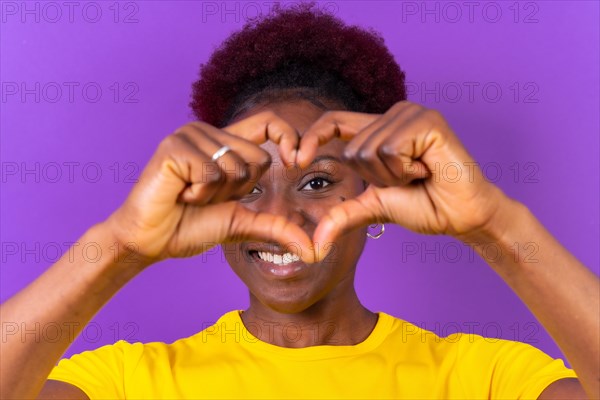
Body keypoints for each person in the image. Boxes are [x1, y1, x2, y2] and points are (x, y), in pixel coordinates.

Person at [1, 4, 598, 399]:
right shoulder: (135, 382)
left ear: (376, 192)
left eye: (317, 182)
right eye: (248, 186)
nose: (279, 221)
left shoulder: (479, 378)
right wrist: (122, 244)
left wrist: (493, 222)